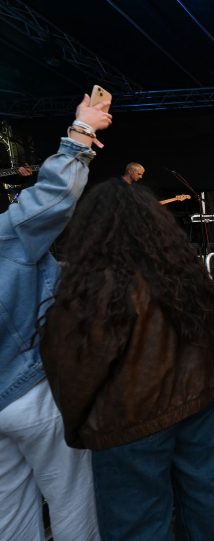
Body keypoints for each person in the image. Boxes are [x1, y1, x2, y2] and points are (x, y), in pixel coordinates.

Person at [40, 179, 214, 540]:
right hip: (194, 405)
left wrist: (81, 426)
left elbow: (73, 368)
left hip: (131, 422)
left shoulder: (93, 288)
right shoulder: (184, 274)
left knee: (142, 521)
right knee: (206, 493)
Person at [0, 95, 108, 540]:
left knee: (10, 516)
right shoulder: (7, 237)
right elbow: (54, 196)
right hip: (29, 390)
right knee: (73, 501)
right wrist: (82, 131)